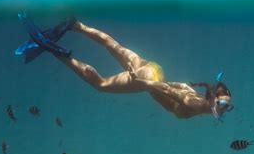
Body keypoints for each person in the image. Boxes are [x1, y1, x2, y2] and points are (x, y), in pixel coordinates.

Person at [16, 16, 233, 120]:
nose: (224, 108)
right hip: (148, 80)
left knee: (114, 46)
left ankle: (76, 25)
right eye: (223, 104)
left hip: (154, 70)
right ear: (213, 99)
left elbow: (177, 85)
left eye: (226, 106)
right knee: (100, 84)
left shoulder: (198, 99)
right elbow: (166, 90)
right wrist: (142, 82)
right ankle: (57, 52)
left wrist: (152, 81)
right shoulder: (194, 103)